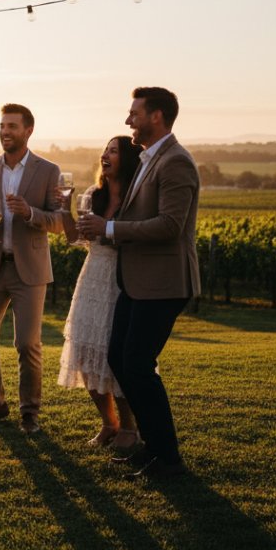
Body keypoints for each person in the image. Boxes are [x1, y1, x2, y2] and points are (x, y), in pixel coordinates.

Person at [78, 87, 200, 479]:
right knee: (120, 359)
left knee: (137, 364)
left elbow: (170, 226)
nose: (128, 120)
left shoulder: (176, 162)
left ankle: (167, 458)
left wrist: (109, 228)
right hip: (136, 281)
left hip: (163, 282)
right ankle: (152, 448)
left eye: (135, 113)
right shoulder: (149, 159)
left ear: (156, 116)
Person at [0, 104, 66, 434]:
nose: (5, 131)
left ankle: (29, 413)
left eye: (12, 126)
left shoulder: (48, 170)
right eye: (2, 126)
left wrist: (29, 213)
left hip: (30, 271)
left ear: (28, 130)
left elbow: (59, 222)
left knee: (26, 344)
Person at [59, 136, 143, 448]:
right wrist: (64, 208)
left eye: (113, 151)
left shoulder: (137, 199)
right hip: (91, 277)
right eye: (105, 150)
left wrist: (105, 231)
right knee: (84, 351)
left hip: (122, 280)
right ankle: (109, 423)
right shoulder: (93, 195)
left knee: (117, 356)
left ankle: (130, 428)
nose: (105, 155)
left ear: (128, 159)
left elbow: (136, 239)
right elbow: (74, 238)